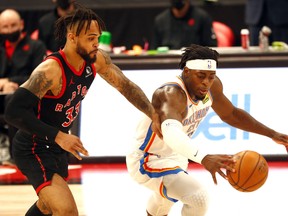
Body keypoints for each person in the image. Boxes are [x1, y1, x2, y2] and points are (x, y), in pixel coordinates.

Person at [4, 3, 161, 216]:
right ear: (72, 37)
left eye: (97, 37)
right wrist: (59, 136)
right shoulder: (51, 69)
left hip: (57, 146)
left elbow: (125, 85)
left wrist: (153, 113)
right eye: (90, 38)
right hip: (33, 146)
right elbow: (14, 111)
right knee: (67, 211)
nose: (96, 44)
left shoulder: (97, 60)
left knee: (47, 207)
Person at [126, 44, 288, 216]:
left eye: (211, 77)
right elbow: (171, 134)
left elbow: (231, 114)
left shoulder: (211, 87)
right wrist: (203, 157)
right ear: (187, 72)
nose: (206, 82)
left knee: (164, 200)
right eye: (201, 76)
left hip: (177, 155)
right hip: (148, 158)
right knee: (198, 197)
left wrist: (273, 134)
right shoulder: (170, 93)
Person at [0, 9, 47, 165]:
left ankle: (15, 155)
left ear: (21, 24)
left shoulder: (36, 47)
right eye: (5, 27)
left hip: (26, 94)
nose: (10, 30)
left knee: (12, 99)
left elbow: (39, 77)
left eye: (13, 25)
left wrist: (12, 82)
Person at [150, 0, 217, 50]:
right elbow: (154, 50)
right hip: (168, 64)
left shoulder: (202, 18)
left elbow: (211, 48)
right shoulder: (160, 20)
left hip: (194, 64)